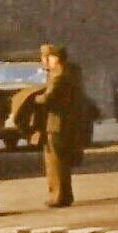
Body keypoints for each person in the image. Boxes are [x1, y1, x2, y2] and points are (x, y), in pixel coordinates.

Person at [38, 43, 86, 208]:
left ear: (55, 58)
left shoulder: (59, 77)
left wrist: (37, 98)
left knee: (55, 162)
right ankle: (64, 194)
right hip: (67, 123)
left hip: (57, 124)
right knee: (62, 161)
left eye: (46, 57)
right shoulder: (70, 74)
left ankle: (58, 196)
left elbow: (49, 98)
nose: (43, 61)